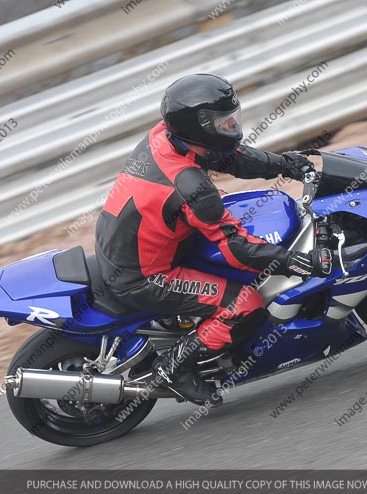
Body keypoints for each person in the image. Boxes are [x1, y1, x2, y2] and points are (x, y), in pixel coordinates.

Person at [95, 73, 331, 406]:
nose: (232, 125)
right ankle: (174, 369)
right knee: (243, 303)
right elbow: (235, 247)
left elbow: (230, 156)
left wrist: (285, 164)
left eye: (232, 116)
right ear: (199, 127)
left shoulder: (165, 137)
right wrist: (288, 259)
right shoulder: (190, 186)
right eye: (223, 122)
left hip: (129, 244)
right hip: (144, 277)